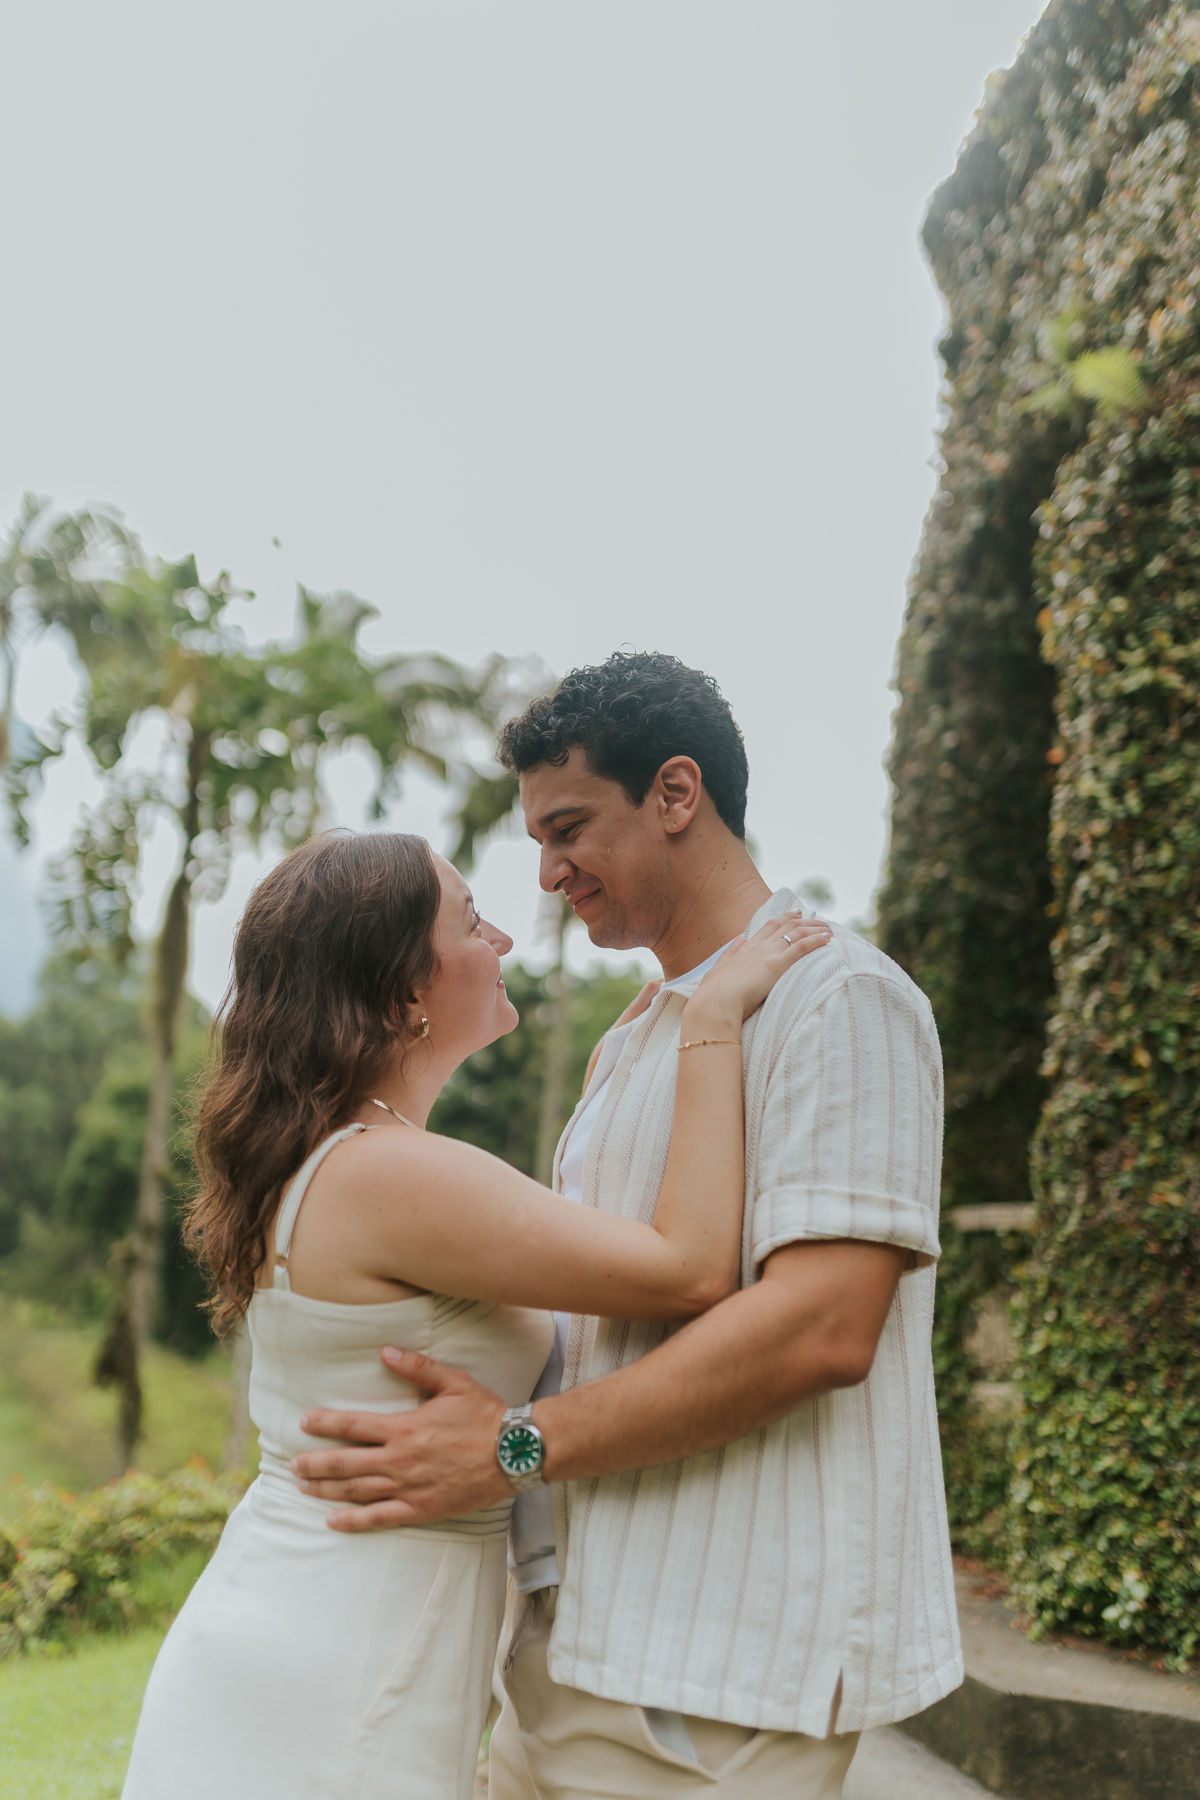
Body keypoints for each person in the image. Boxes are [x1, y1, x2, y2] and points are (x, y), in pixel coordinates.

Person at [291, 651, 963, 1799]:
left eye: (568, 828)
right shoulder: (637, 1040)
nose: (548, 875)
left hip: (717, 1680)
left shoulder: (836, 999)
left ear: (675, 795)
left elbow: (822, 1328)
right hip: (575, 1645)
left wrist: (510, 1444)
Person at [121, 826, 826, 1800]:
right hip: (341, 1655)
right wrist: (710, 1020)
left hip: (331, 1620)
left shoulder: (359, 1155)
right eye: (468, 919)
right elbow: (690, 1269)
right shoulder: (386, 1171)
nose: (500, 937)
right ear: (407, 988)